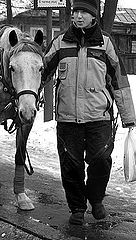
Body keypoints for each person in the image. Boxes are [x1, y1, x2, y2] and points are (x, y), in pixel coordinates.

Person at [41, 0, 136, 225]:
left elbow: (119, 81)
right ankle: (76, 207)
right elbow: (40, 71)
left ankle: (96, 200)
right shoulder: (60, 43)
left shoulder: (106, 44)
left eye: (84, 12)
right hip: (67, 118)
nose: (79, 17)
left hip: (99, 118)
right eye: (76, 12)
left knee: (101, 161)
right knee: (70, 164)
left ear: (94, 16)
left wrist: (129, 117)